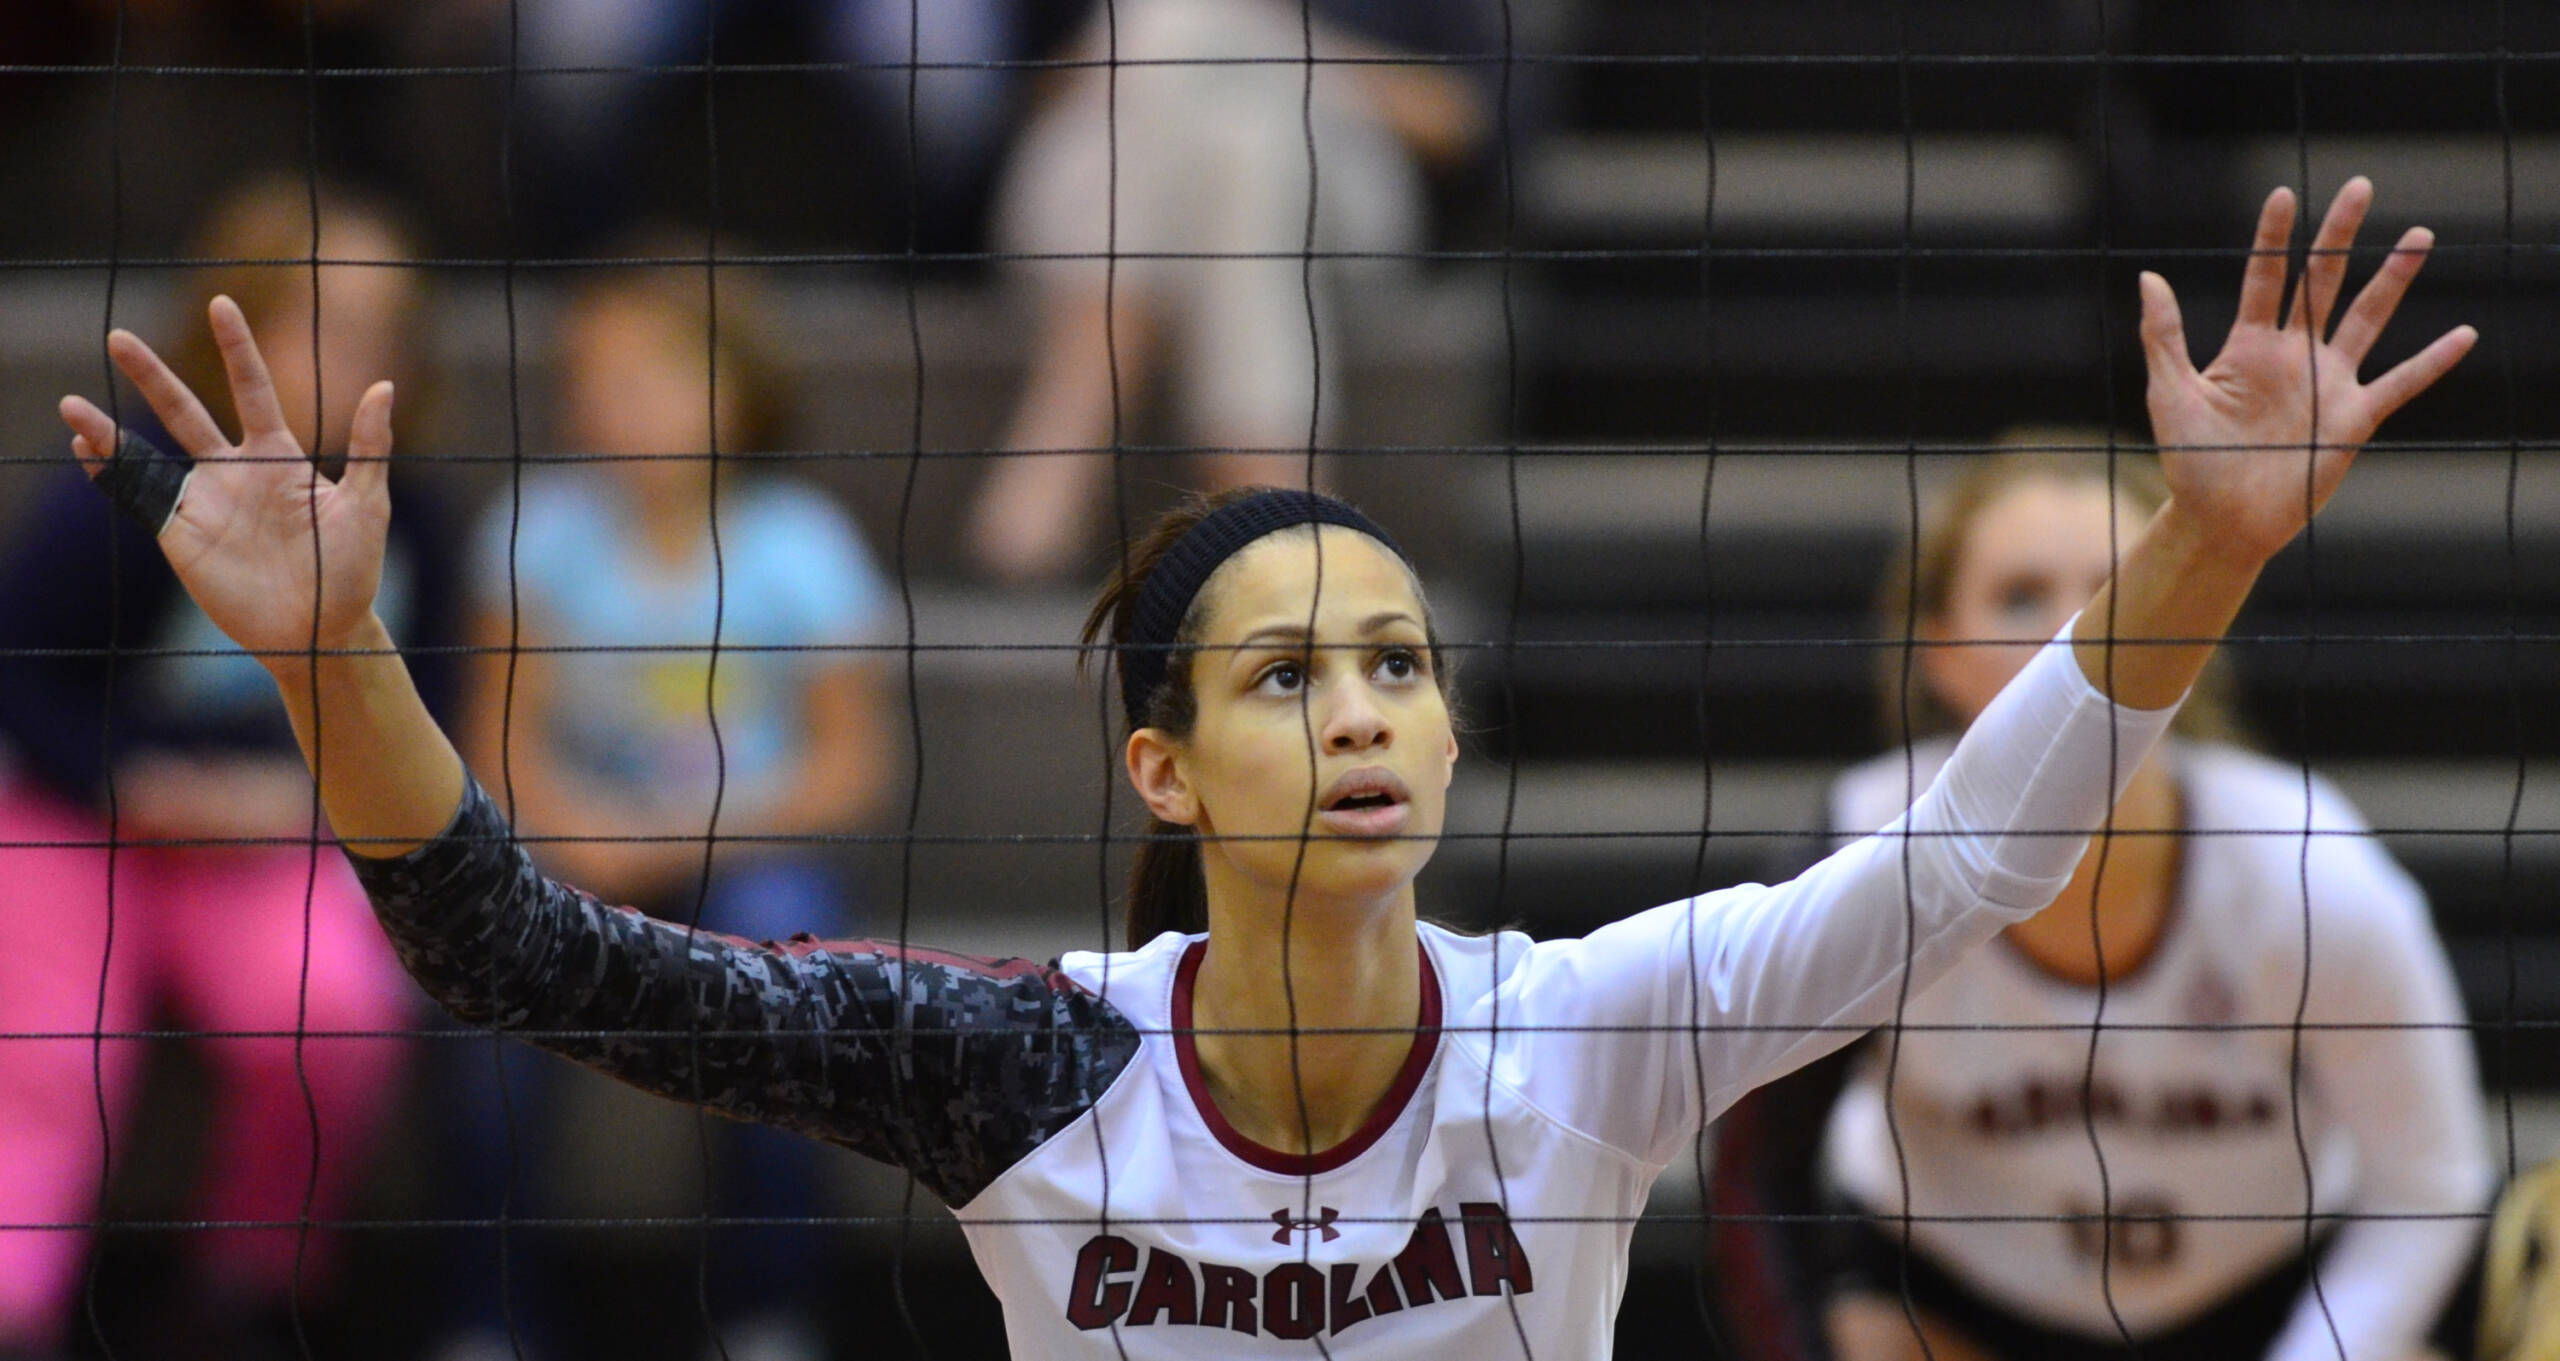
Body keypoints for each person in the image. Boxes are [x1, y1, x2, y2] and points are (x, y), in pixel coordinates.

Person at [52, 178, 2471, 1356]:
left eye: (1397, 661)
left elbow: (1970, 847)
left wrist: (2199, 545)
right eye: (1287, 671)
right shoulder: (1020, 1058)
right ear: (1164, 764)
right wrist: (335, 653)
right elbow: (506, 936)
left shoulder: (1585, 1029)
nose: (1358, 708)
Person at [1702, 446, 2495, 1361]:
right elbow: (1757, 1173)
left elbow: (2431, 1182)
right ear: (1941, 654)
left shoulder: (2308, 869)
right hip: (1958, 1305)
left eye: (2124, 587)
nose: (2082, 631)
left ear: (2196, 628)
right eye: (2021, 595)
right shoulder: (1862, 853)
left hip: (2266, 1302)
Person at [0, 175, 451, 1356]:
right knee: (49, 1039)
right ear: (232, 325)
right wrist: (123, 780)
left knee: (329, 1013)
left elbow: (434, 717)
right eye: (324, 319)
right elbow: (22, 669)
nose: (355, 351)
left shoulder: (415, 510)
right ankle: (17, 1288)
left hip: (273, 830)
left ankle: (254, 1286)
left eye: (381, 329)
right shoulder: (135, 480)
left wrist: (299, 801)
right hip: (83, 813)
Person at [438, 250, 897, 1361]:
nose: (610, 398)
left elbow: (853, 769)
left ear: (734, 391)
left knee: (791, 968)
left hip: (740, 842)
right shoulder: (535, 527)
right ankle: (486, 1315)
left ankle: (765, 1307)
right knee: (477, 995)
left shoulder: (803, 543)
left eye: (646, 372)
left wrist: (672, 838)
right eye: (592, 374)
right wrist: (574, 832)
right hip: (567, 838)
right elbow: (493, 737)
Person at [964, 0, 1498, 581]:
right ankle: (1277, 510)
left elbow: (1461, 122)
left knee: (1247, 134)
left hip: (1335, 183)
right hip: (1095, 166)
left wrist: (1275, 52)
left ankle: (1062, 444)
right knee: (1183, 60)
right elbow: (1014, 96)